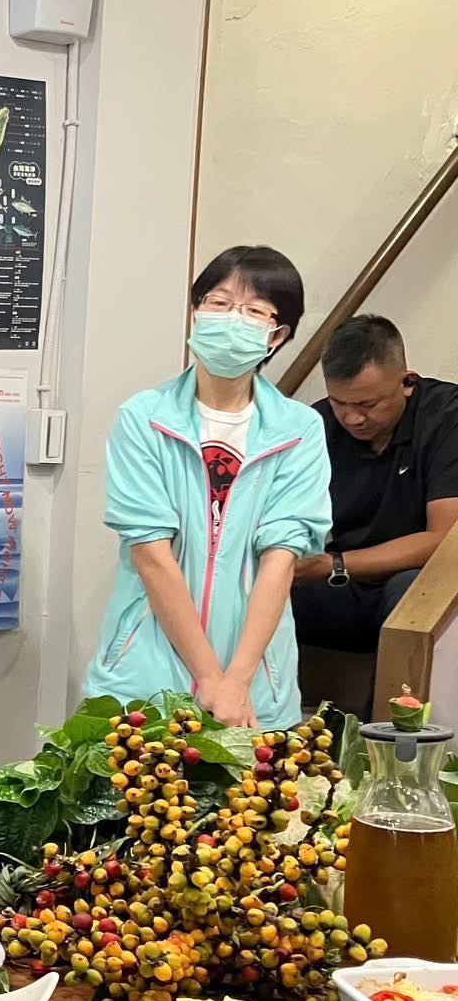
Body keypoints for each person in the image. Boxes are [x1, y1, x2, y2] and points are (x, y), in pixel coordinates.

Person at [86, 246, 331, 729]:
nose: (233, 318)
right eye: (219, 303)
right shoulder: (144, 419)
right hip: (145, 675)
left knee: (253, 805)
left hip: (258, 683)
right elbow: (152, 555)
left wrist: (235, 681)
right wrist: (209, 677)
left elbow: (281, 559)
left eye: (254, 310)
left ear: (276, 335)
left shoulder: (300, 429)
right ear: (195, 313)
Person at [292, 315, 458, 659]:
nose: (353, 418)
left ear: (407, 381)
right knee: (254, 587)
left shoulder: (446, 416)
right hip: (348, 583)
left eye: (368, 404)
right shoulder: (317, 424)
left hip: (425, 583)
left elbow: (444, 539)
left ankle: (388, 714)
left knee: (411, 591)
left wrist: (332, 564)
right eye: (340, 403)